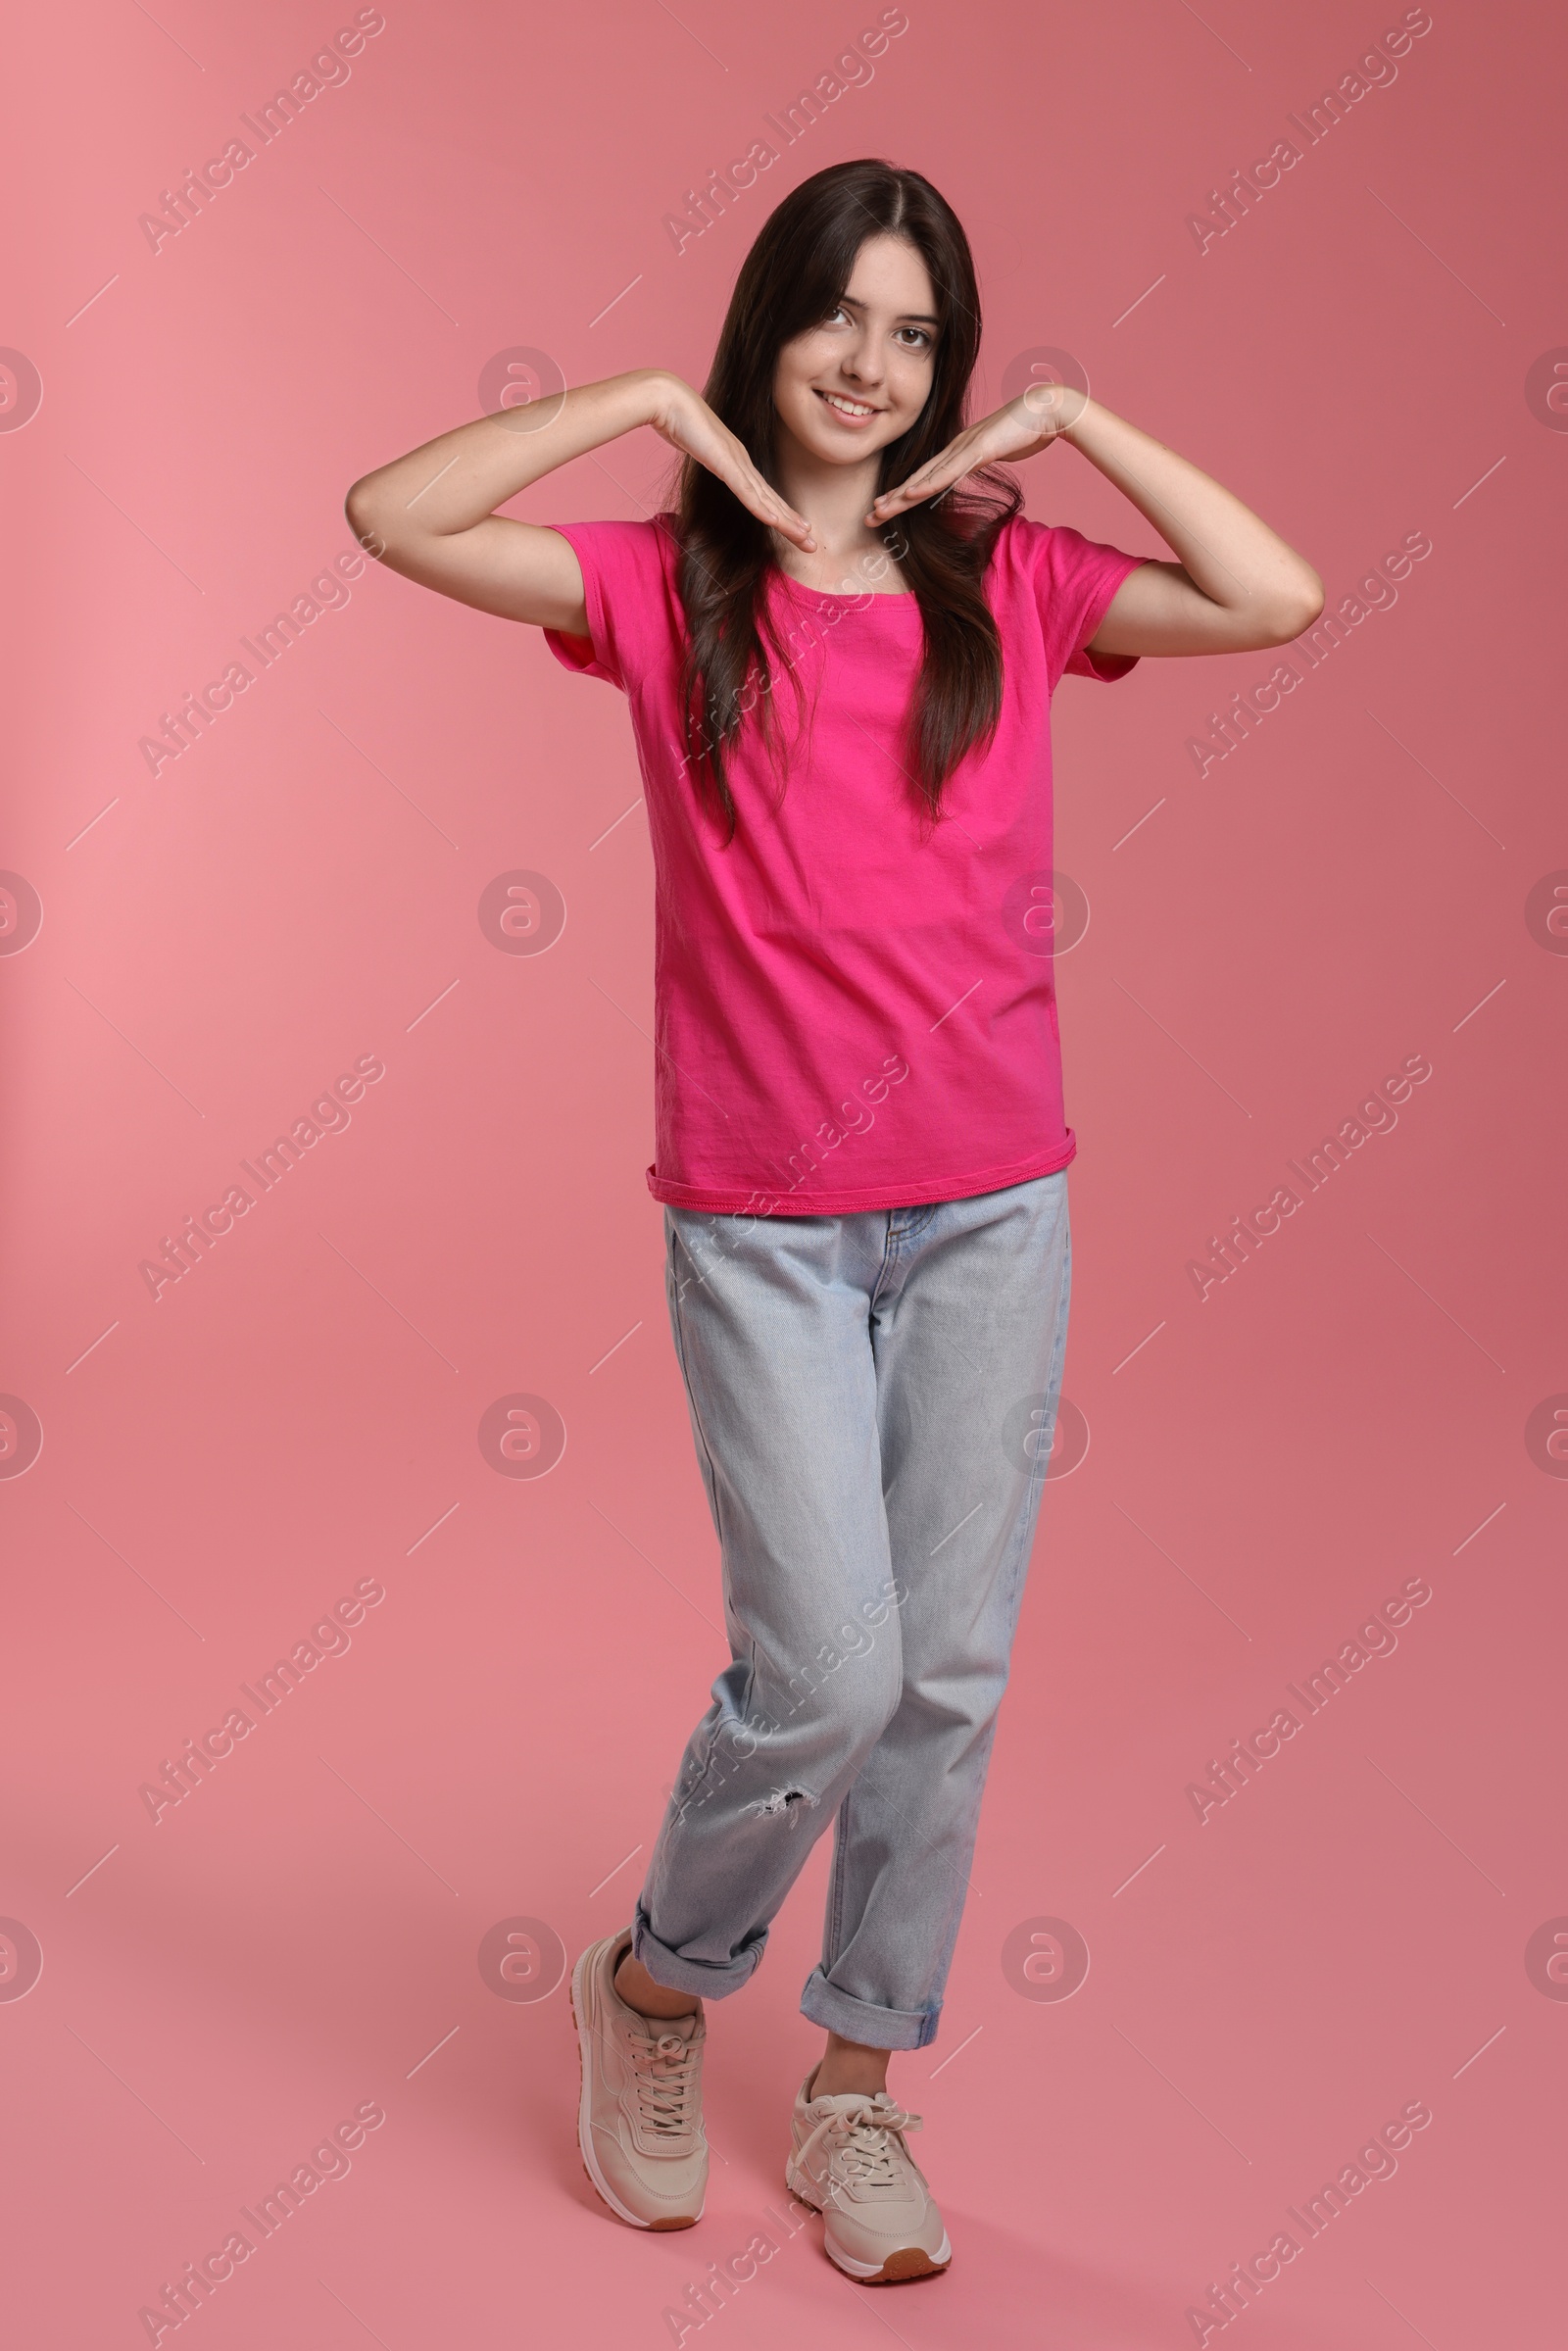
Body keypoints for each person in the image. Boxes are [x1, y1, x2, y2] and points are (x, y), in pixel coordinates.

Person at [346, 157, 1322, 2287]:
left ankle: (860, 2088)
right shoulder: (660, 586)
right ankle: (657, 1988)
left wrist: (1070, 433)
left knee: (944, 1681)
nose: (872, 367)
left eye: (914, 334)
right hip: (768, 1221)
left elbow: (1273, 596)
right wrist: (630, 400)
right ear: (765, 327)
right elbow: (389, 515)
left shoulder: (1013, 583)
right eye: (836, 320)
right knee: (827, 1669)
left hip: (991, 1206)